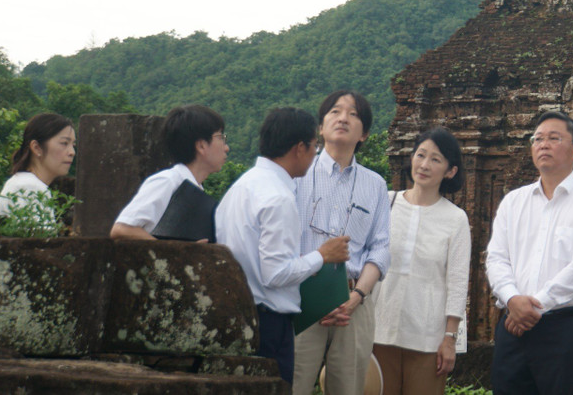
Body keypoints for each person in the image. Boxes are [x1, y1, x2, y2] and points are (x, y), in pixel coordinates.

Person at [216, 107, 351, 386]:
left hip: (236, 314)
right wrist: (322, 256)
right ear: (299, 148)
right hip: (268, 323)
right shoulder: (278, 198)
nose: (316, 154)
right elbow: (275, 273)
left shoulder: (240, 188)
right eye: (315, 146)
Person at [485, 110, 573, 395]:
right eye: (538, 139)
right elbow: (496, 258)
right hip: (512, 327)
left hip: (563, 329)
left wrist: (532, 307)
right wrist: (512, 298)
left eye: (554, 138)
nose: (543, 144)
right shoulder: (513, 201)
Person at [293, 90, 391, 395]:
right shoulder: (297, 175)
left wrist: (357, 296)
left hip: (353, 303)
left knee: (348, 388)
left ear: (365, 134)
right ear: (320, 128)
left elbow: (380, 248)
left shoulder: (375, 184)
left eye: (354, 114)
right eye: (335, 111)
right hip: (301, 298)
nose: (343, 118)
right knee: (292, 384)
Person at [373, 126, 471, 395]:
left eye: (436, 159)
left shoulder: (455, 218)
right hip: (378, 329)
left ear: (450, 171)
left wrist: (449, 339)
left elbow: (458, 282)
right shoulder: (386, 203)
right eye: (421, 155)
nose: (425, 164)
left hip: (428, 336)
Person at [110, 104, 228, 240]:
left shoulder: (195, 188)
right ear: (201, 145)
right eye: (221, 138)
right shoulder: (168, 181)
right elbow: (122, 229)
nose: (226, 147)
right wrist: (177, 253)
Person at [0, 113, 75, 227]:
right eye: (64, 143)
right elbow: (40, 242)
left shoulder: (25, 183)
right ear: (36, 147)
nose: (72, 152)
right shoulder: (29, 187)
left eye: (73, 145)